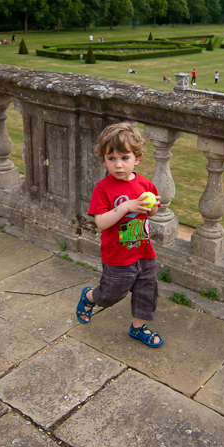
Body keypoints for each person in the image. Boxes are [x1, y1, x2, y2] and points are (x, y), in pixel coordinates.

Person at [76, 122, 163, 347]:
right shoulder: (103, 188)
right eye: (111, 158)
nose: (118, 165)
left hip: (144, 252)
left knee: (146, 292)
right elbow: (101, 222)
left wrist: (153, 206)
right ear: (103, 159)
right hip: (118, 256)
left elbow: (151, 213)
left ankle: (138, 327)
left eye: (124, 158)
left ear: (138, 157)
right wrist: (125, 207)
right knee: (110, 295)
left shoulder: (145, 184)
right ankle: (89, 297)